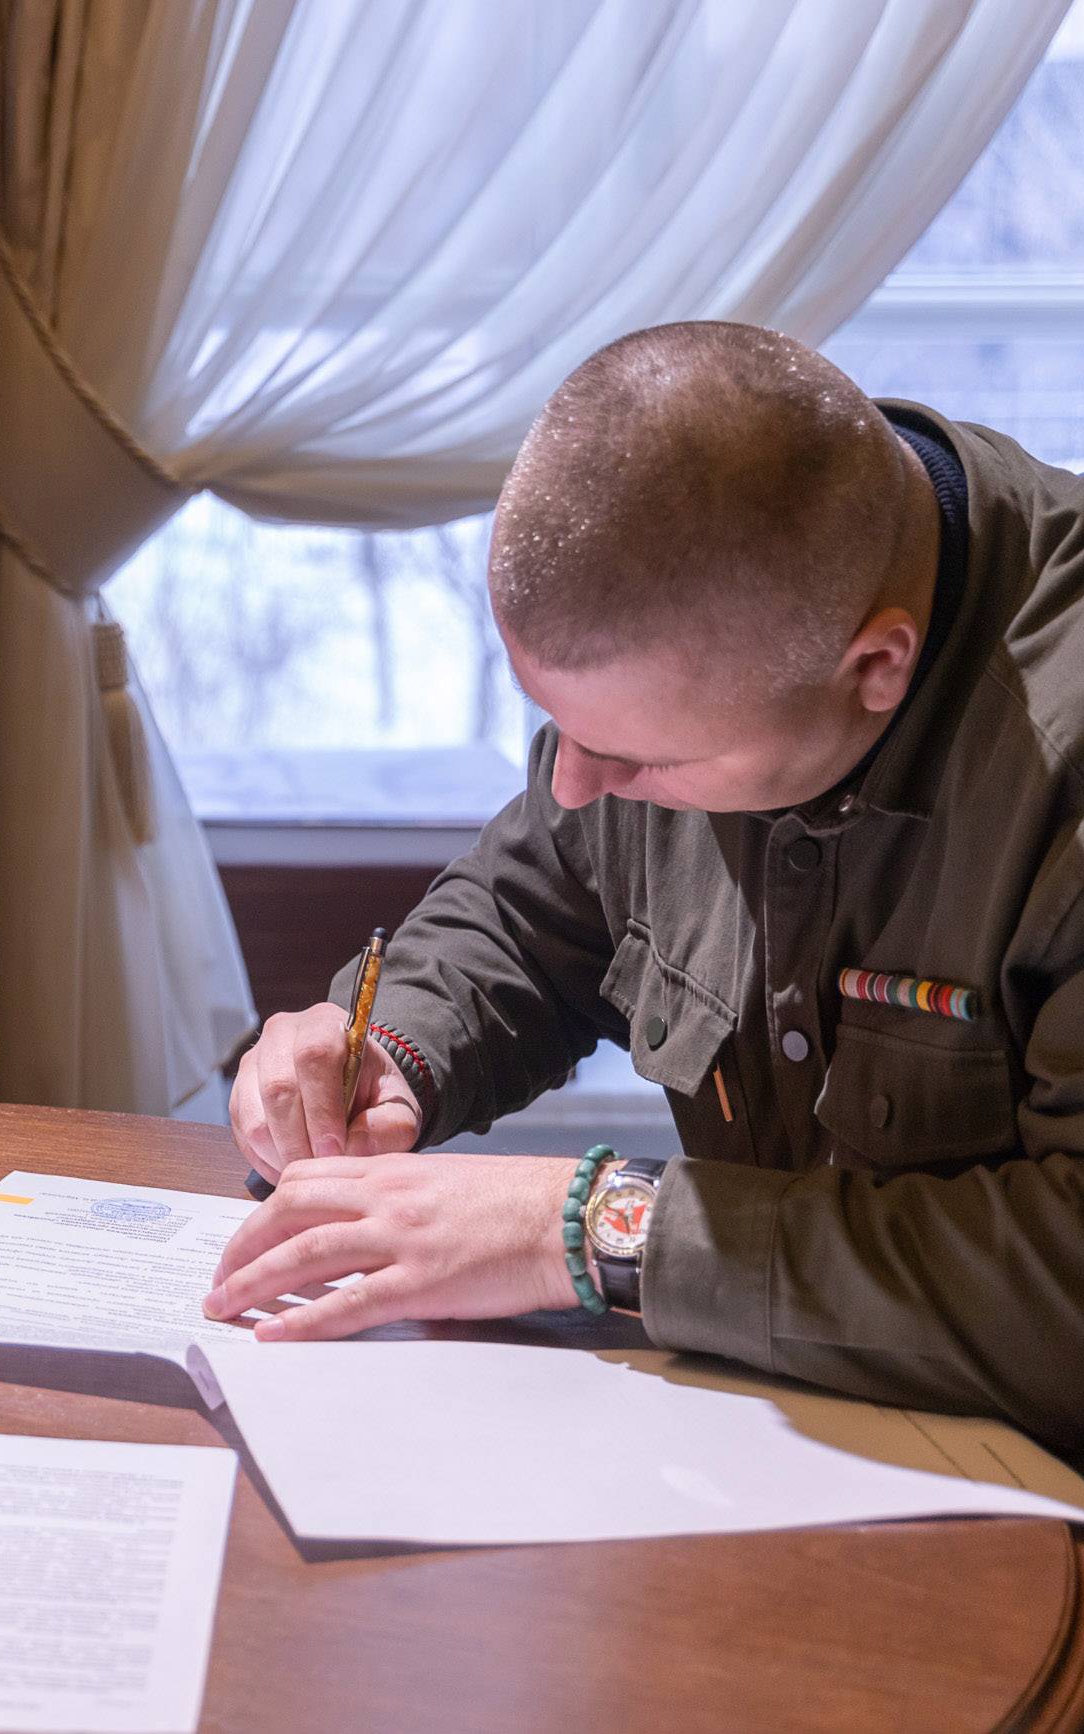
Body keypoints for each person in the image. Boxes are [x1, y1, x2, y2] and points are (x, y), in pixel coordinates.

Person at [210, 319, 1084, 1453]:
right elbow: (530, 911)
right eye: (556, 726)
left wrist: (595, 1229)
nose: (574, 786)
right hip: (781, 1433)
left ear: (875, 666)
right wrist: (389, 1049)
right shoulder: (700, 665)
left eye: (638, 760)